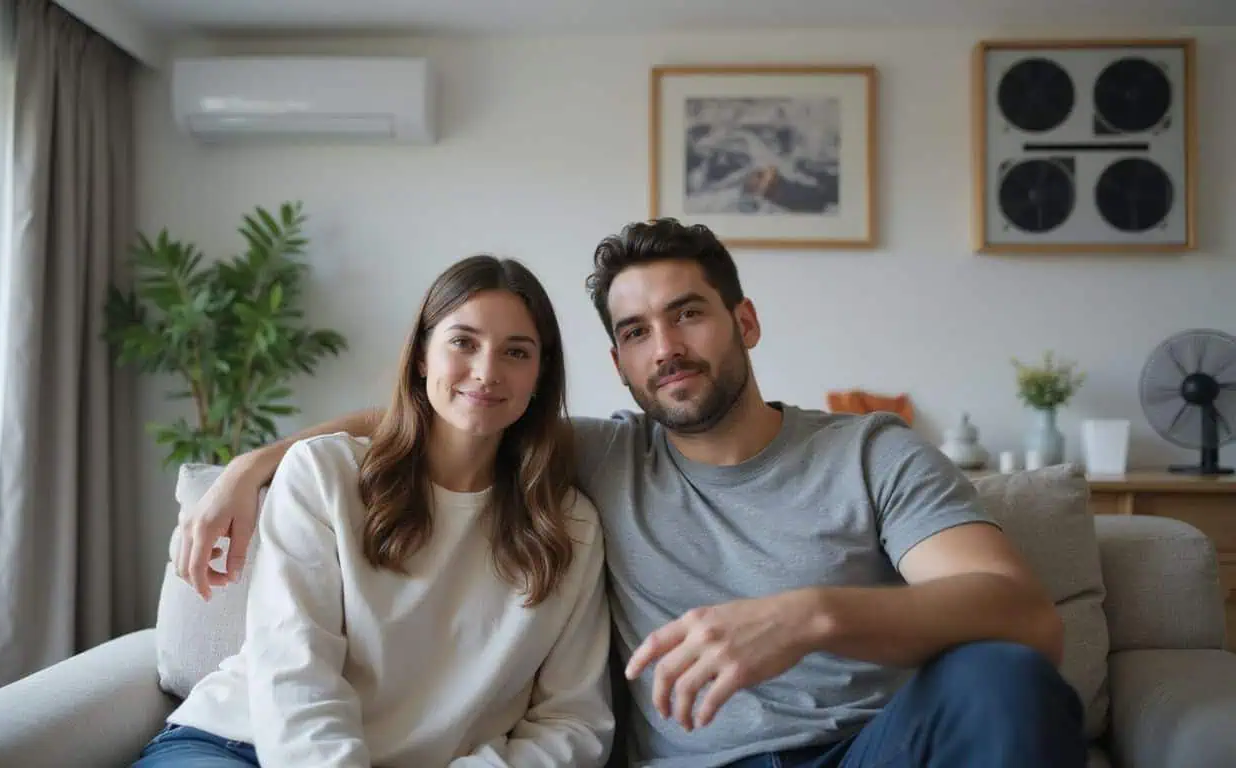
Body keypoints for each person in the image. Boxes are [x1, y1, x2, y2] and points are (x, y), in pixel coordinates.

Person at [175, 219, 1088, 768]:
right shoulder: (605, 459)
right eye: (636, 330)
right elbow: (452, 407)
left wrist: (809, 617)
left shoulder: (871, 453)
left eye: (688, 313)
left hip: (867, 749)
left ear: (745, 320)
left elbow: (1024, 616)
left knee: (1003, 674)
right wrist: (263, 459)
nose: (667, 347)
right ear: (616, 362)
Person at [138, 255, 615, 767]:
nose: (486, 371)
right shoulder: (325, 474)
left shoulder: (570, 528)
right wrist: (246, 468)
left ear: (541, 374)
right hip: (243, 744)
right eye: (463, 342)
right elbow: (296, 671)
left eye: (516, 352)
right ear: (421, 358)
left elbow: (574, 720)